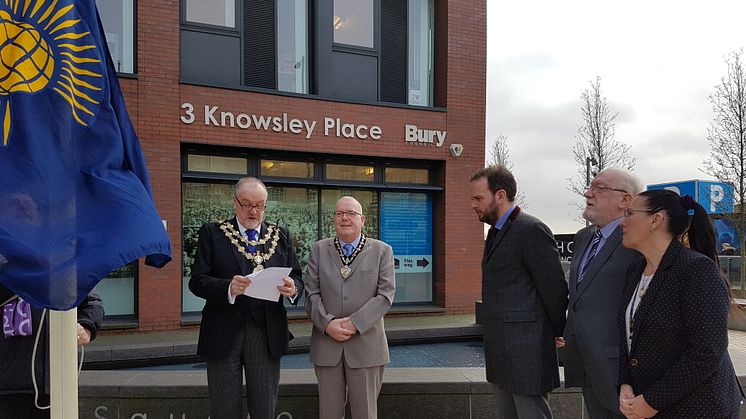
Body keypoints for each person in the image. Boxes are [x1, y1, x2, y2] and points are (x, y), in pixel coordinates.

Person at [618, 189, 742, 419]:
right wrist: (625, 383)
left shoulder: (696, 270)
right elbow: (630, 337)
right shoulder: (636, 271)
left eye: (629, 213)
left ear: (656, 220)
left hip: (699, 407)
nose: (621, 222)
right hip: (647, 404)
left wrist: (652, 401)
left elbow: (708, 350)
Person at [189, 177, 303, 419]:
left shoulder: (281, 235)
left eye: (259, 205)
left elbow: (298, 277)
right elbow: (197, 281)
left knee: (264, 409)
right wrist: (227, 288)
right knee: (224, 409)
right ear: (234, 202)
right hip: (222, 331)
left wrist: (293, 289)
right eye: (247, 204)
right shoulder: (213, 232)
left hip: (266, 332)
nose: (253, 211)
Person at [469, 165, 568, 419]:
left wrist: (558, 330)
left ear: (500, 195)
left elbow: (554, 287)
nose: (473, 205)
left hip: (527, 349)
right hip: (502, 349)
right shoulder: (495, 232)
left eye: (478, 198)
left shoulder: (531, 229)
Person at [561, 168, 644, 419]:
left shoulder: (638, 239)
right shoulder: (584, 237)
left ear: (626, 200)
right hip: (585, 360)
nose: (588, 192)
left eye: (600, 188)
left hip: (619, 367)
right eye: (590, 186)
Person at [305, 196, 395, 419]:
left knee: (365, 413)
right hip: (327, 345)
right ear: (334, 219)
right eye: (339, 213)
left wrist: (354, 323)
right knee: (329, 413)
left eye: (351, 213)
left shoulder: (382, 251)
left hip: (366, 347)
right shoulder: (318, 250)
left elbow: (385, 296)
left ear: (362, 219)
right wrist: (327, 325)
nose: (344, 218)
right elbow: (311, 294)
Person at [0, 284, 103, 419]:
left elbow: (92, 302)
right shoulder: (6, 267)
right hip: (7, 384)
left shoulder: (62, 270)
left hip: (54, 383)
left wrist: (86, 326)